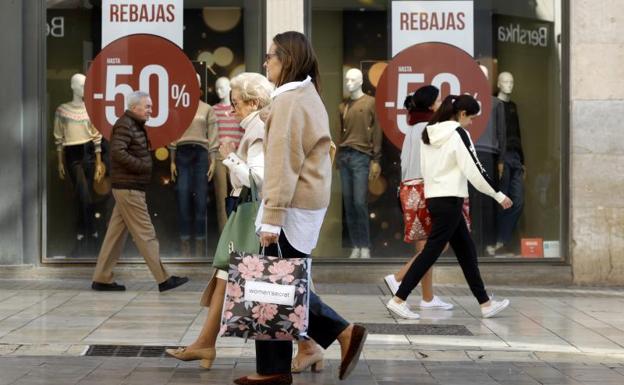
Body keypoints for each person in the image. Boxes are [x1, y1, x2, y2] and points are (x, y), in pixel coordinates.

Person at [233, 31, 367, 385]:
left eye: (270, 57)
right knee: (282, 284)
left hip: (290, 208)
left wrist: (272, 217)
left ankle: (337, 335)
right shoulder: (304, 95)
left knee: (275, 286)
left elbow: (282, 165)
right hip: (305, 204)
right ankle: (284, 363)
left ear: (286, 59)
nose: (266, 63)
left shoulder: (291, 100)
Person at [166, 72, 273, 368]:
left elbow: (257, 179)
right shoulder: (254, 128)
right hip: (247, 215)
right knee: (226, 274)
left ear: (253, 103)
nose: (231, 108)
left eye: (237, 102)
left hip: (251, 215)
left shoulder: (257, 131)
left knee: (275, 285)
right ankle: (205, 344)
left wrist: (229, 157)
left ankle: (328, 337)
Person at [385, 94, 513, 320]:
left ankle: (485, 303)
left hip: (435, 198)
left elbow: (426, 169)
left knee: (466, 251)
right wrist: (498, 194)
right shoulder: (457, 133)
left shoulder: (429, 133)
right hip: (451, 199)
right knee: (432, 252)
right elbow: (474, 169)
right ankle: (399, 298)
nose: (471, 123)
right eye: (471, 118)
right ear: (461, 114)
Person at [91, 91, 188, 292]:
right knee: (146, 234)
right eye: (148, 107)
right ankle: (163, 279)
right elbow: (117, 152)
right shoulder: (125, 124)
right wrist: (143, 166)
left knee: (114, 235)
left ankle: (102, 278)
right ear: (135, 107)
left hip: (127, 187)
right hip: (129, 187)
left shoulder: (131, 124)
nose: (151, 111)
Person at [383, 85, 457, 312]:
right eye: (438, 100)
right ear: (431, 104)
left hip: (409, 189)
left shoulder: (414, 127)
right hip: (425, 190)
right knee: (438, 244)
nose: (441, 102)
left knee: (425, 245)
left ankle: (428, 297)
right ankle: (399, 277)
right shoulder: (430, 128)